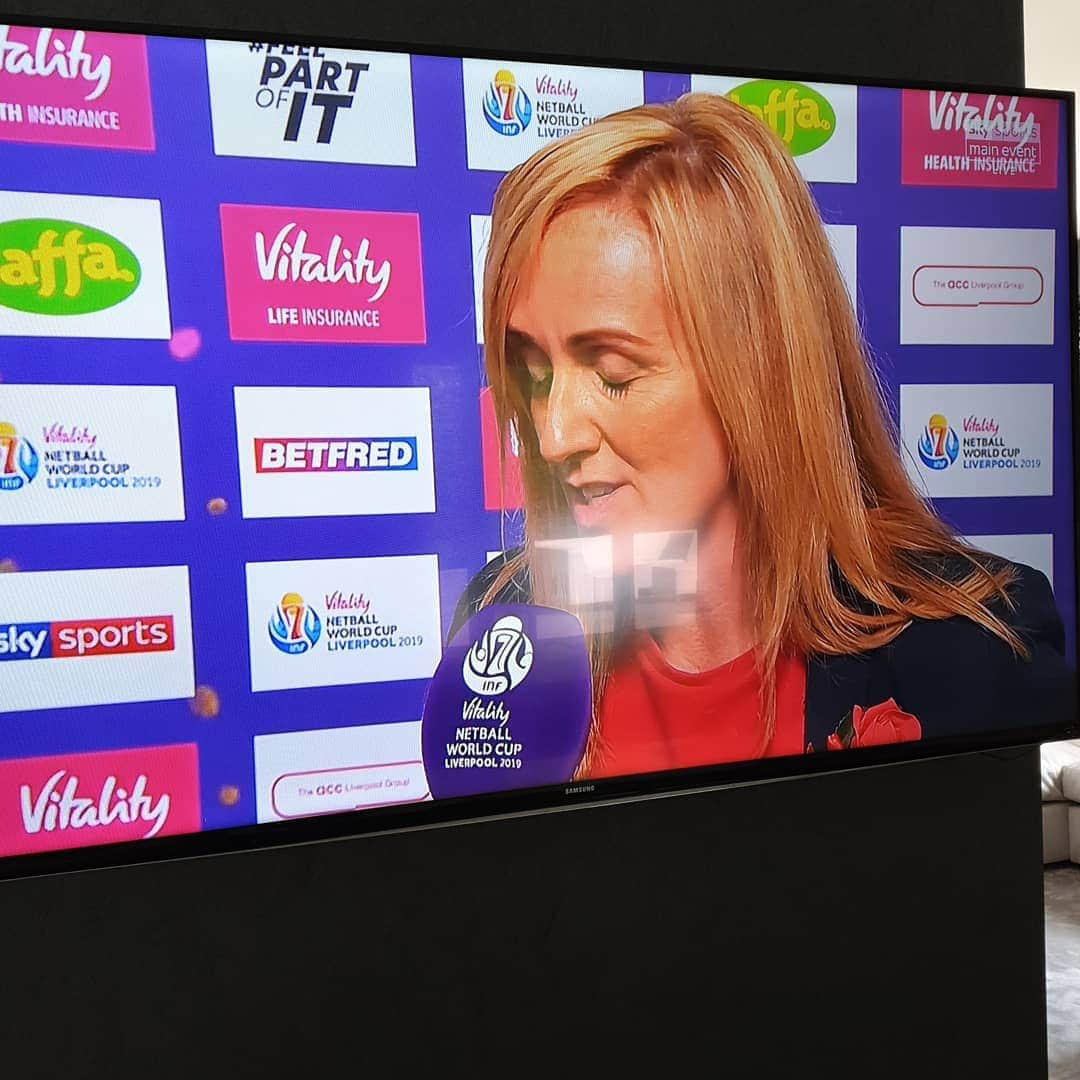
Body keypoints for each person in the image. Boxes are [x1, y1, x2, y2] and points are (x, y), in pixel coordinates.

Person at [450, 92, 1075, 780]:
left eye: (614, 374)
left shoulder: (967, 653)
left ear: (759, 369)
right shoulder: (501, 619)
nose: (552, 433)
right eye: (533, 375)